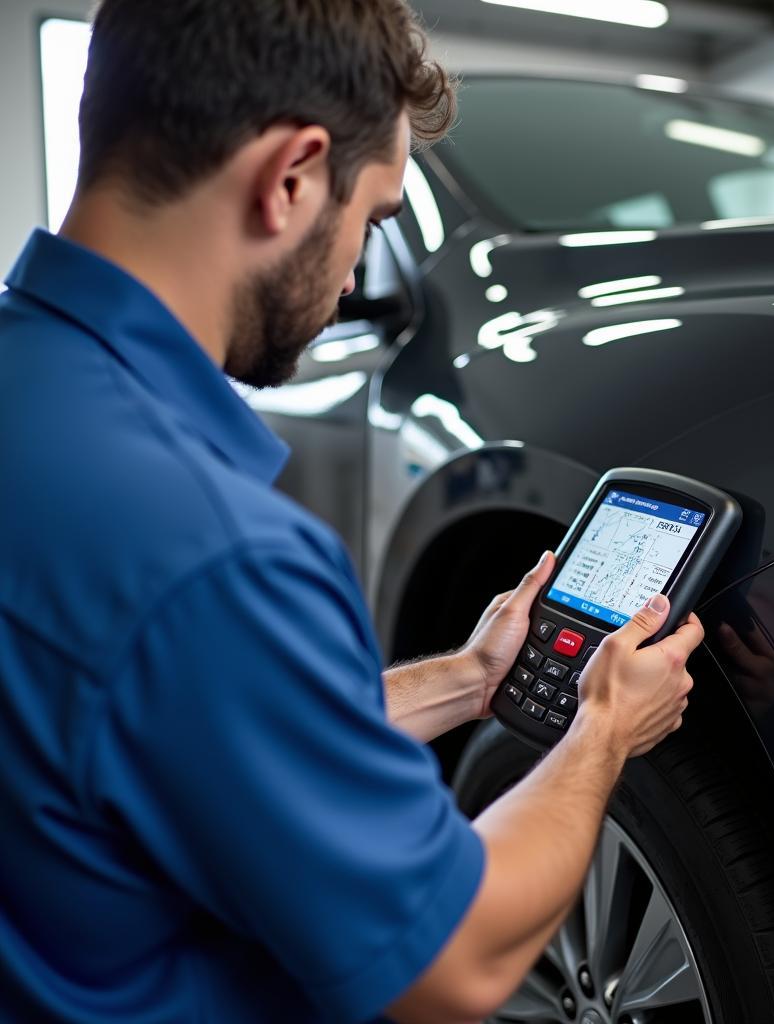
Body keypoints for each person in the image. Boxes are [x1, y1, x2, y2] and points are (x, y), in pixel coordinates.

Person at [0, 1, 702, 1021]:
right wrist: (602, 730)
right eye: (371, 220)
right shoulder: (216, 555)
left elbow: (183, 727)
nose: (349, 278)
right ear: (290, 178)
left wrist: (466, 679)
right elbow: (452, 964)